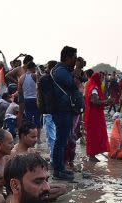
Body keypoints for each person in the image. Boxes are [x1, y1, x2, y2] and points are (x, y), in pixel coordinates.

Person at [49, 46, 83, 180]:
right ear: (67, 58)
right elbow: (73, 84)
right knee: (61, 141)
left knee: (63, 140)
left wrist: (79, 70)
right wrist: (78, 69)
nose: (75, 60)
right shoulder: (60, 71)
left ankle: (60, 168)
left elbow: (81, 79)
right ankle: (58, 170)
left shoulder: (64, 70)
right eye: (74, 58)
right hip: (61, 110)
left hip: (65, 109)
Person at [83, 71, 109, 161]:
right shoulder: (94, 88)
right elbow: (94, 101)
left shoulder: (94, 87)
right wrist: (106, 101)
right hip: (94, 115)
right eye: (101, 78)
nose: (102, 80)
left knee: (96, 134)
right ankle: (91, 155)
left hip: (95, 114)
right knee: (94, 134)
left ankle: (92, 155)